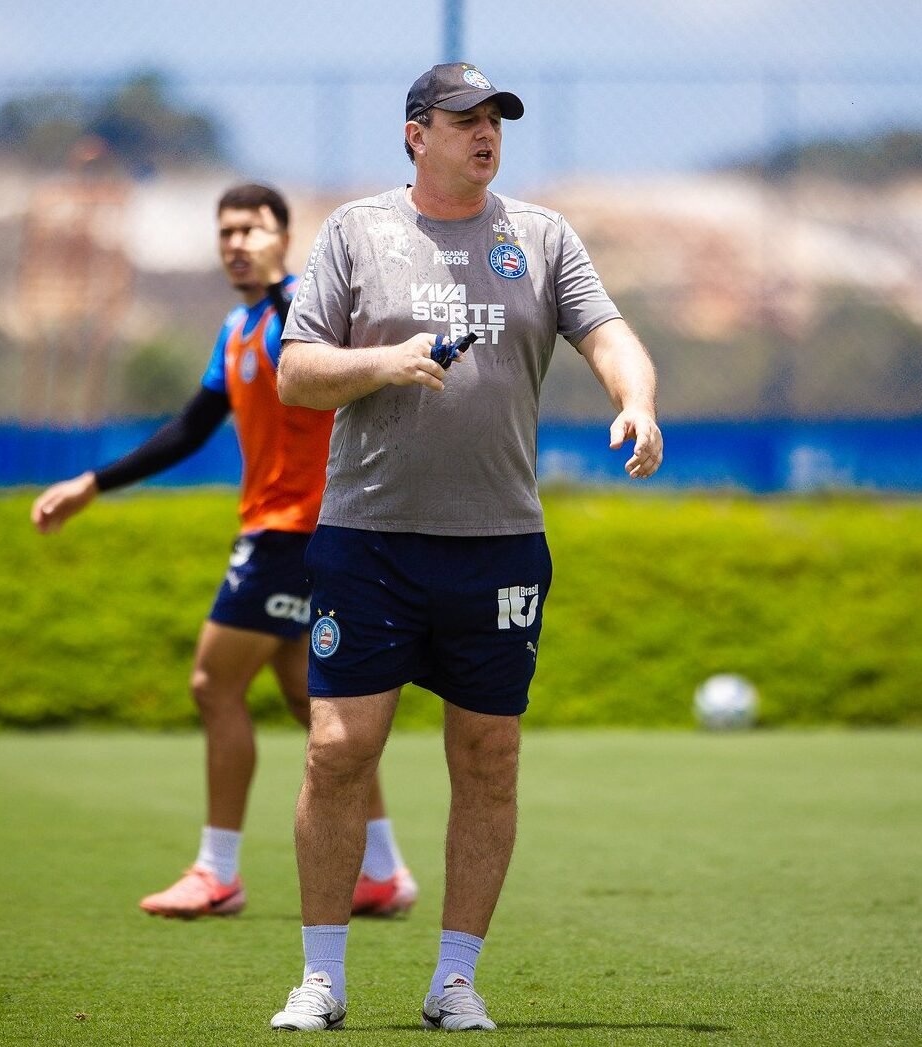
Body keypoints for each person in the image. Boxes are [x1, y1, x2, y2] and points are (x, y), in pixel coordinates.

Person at [266, 64, 663, 1032]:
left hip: (496, 546)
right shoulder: (357, 233)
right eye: (463, 120)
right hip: (369, 541)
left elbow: (609, 334)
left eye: (494, 121)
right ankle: (321, 978)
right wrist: (383, 361)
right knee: (335, 750)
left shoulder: (539, 236)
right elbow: (296, 373)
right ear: (416, 134)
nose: (484, 134)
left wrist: (636, 403)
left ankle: (453, 981)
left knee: (487, 755)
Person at [30, 183, 417, 920]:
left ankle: (218, 872)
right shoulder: (238, 326)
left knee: (214, 684)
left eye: (252, 229)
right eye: (225, 232)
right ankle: (381, 870)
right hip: (276, 530)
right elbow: (190, 426)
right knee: (315, 704)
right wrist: (93, 481)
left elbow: (368, 381)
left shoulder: (299, 310)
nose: (236, 242)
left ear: (283, 236)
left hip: (293, 534)